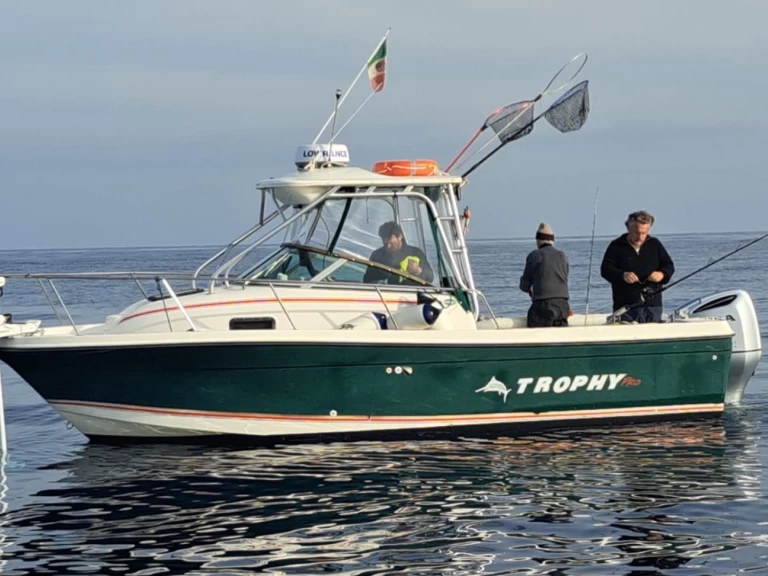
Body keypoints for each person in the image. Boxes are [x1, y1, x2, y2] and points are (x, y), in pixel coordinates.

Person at [600, 210, 675, 323]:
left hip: (652, 306)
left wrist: (662, 274)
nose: (640, 237)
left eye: (644, 233)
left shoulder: (655, 244)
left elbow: (669, 265)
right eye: (636, 232)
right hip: (626, 306)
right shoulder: (616, 246)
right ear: (628, 228)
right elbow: (605, 270)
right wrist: (622, 275)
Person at [519, 222, 571, 327]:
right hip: (563, 305)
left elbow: (524, 286)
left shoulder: (534, 255)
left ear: (538, 241)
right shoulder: (563, 256)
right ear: (553, 241)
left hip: (542, 306)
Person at [363, 221, 435, 284]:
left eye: (391, 243)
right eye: (385, 244)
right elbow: (367, 280)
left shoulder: (415, 253)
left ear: (400, 236)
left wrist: (417, 271)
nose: (388, 246)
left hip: (410, 294)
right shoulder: (377, 255)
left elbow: (430, 277)